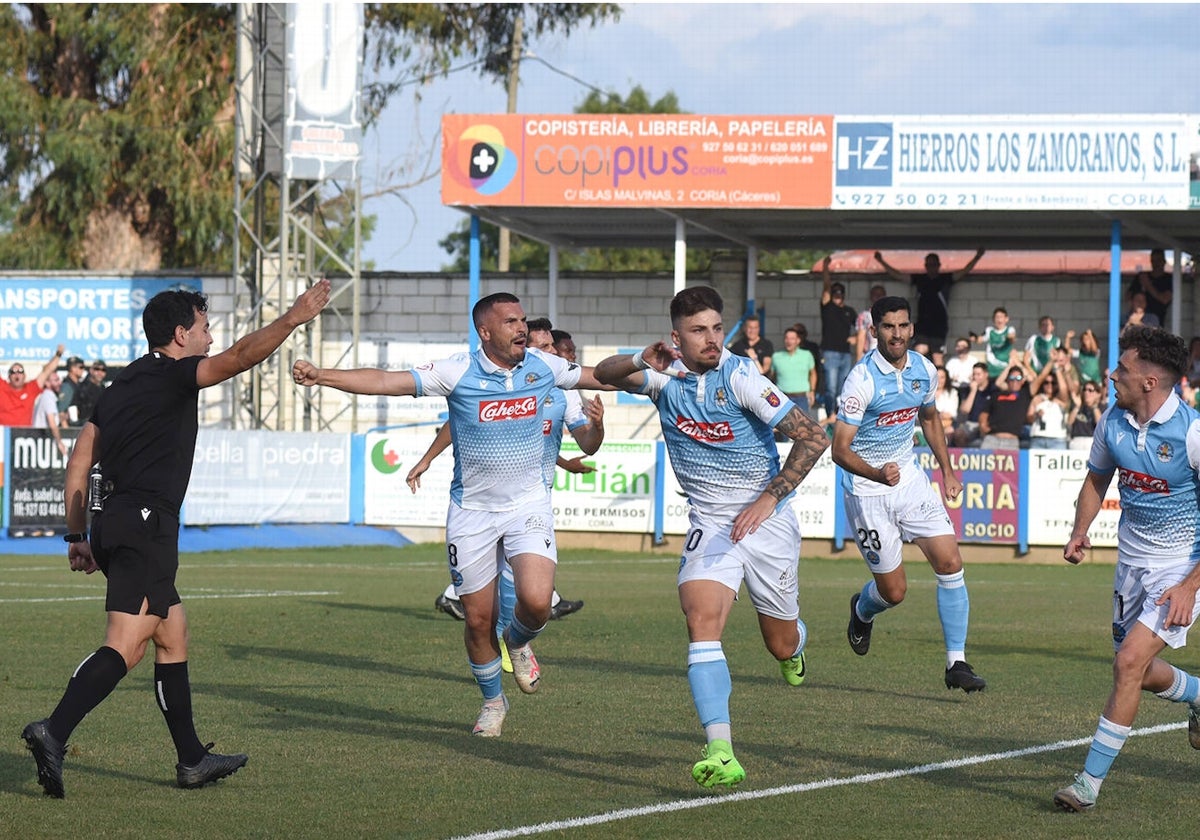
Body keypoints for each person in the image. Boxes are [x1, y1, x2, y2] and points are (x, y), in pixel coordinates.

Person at [21, 279, 331, 798]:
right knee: (124, 645)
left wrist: (78, 534)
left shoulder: (119, 385)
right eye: (205, 328)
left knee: (172, 633)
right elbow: (238, 358)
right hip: (146, 523)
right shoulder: (174, 375)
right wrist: (293, 318)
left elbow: (79, 461)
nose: (211, 338)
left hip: (115, 520)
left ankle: (191, 760)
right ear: (181, 334)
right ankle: (53, 731)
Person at [293, 292, 610, 739]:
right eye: (510, 322)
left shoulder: (544, 367)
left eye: (522, 320)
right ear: (485, 331)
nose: (521, 328)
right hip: (472, 513)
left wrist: (649, 367)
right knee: (478, 619)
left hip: (528, 505)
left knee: (537, 603)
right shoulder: (457, 370)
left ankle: (517, 642)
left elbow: (600, 376)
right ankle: (492, 702)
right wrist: (323, 375)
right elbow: (387, 381)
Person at [593, 285, 830, 789]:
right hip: (710, 522)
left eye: (717, 328)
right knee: (700, 619)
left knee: (779, 643)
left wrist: (769, 498)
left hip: (767, 521)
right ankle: (721, 749)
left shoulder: (741, 376)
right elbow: (601, 375)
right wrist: (641, 357)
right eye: (699, 330)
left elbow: (814, 436)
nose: (712, 339)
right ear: (676, 336)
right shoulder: (662, 376)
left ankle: (796, 645)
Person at [1054, 325, 1200, 813]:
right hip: (1130, 566)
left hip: (1180, 569)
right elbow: (1096, 480)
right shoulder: (1113, 420)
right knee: (1135, 668)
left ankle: (1088, 784)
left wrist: (1188, 586)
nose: (1112, 376)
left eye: (1123, 369)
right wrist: (1080, 530)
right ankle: (1198, 694)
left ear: (1151, 382)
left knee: (1127, 664)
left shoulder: (1193, 433)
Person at [833, 295, 986, 693]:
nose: (896, 333)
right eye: (888, 327)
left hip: (911, 480)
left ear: (912, 328)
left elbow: (930, 417)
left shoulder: (923, 369)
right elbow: (840, 450)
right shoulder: (860, 381)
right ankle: (862, 610)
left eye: (903, 326)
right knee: (894, 592)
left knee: (950, 560)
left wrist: (947, 470)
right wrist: (877, 473)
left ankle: (957, 663)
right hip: (868, 490)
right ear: (874, 330)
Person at [425, 319, 598, 624]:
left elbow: (578, 437)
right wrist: (426, 459)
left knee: (525, 572)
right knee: (505, 571)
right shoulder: (500, 386)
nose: (554, 353)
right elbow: (460, 423)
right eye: (545, 347)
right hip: (494, 495)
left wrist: (573, 453)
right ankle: (464, 599)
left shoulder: (563, 391)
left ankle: (528, 619)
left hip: (535, 492)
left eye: (554, 348)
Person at [874, 248, 985, 365]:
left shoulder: (945, 279)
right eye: (928, 264)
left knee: (938, 358)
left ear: (938, 265)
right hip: (923, 324)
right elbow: (899, 275)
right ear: (925, 266)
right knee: (919, 353)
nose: (931, 267)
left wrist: (977, 257)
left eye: (933, 264)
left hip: (939, 325)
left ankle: (940, 382)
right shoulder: (920, 280)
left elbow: (964, 271)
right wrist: (881, 261)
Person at [819, 256, 858, 416]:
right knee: (831, 388)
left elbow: (860, 327)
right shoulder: (827, 307)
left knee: (844, 388)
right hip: (830, 352)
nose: (837, 296)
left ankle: (840, 416)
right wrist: (826, 268)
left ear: (844, 295)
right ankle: (830, 415)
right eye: (835, 293)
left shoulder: (850, 311)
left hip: (845, 354)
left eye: (840, 294)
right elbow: (826, 287)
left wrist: (855, 338)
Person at [978, 357, 1036, 450]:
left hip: (1011, 441)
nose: (1014, 381)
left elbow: (1033, 380)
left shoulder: (1025, 394)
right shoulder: (996, 395)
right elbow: (985, 412)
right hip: (992, 438)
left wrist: (1018, 363)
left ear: (1022, 380)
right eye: (1012, 378)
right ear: (1007, 379)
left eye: (1018, 378)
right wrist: (983, 423)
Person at [0, 345, 65, 426]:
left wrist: (58, 354)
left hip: (23, 435)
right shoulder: (2, 387)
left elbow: (47, 372)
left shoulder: (30, 389)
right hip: (3, 434)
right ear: (9, 376)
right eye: (13, 372)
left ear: (24, 376)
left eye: (20, 372)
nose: (17, 374)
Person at [770, 325, 817, 417]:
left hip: (802, 398)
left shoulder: (807, 355)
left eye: (792, 338)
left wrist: (812, 391)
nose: (789, 341)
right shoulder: (776, 356)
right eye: (786, 338)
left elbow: (813, 373)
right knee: (784, 428)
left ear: (798, 341)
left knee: (803, 428)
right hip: (783, 398)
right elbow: (772, 377)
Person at [1026, 362, 1070, 449]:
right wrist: (1036, 415)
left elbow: (1063, 388)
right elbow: (1029, 418)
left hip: (1057, 440)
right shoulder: (1037, 399)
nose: (1050, 385)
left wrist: (1057, 369)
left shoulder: (1062, 399)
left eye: (1053, 383)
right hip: (1038, 438)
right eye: (1046, 382)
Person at [952, 362, 996, 448]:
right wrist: (973, 391)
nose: (976, 377)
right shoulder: (968, 390)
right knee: (958, 434)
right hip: (971, 423)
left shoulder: (993, 389)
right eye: (974, 374)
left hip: (987, 422)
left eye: (978, 374)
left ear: (986, 374)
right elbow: (965, 410)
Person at [1126, 248, 1172, 327]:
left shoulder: (1168, 279)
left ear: (1164, 262)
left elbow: (1165, 299)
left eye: (1158, 260)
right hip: (1138, 317)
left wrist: (1148, 285)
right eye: (1153, 261)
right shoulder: (1142, 276)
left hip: (1157, 320)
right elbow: (1128, 296)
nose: (1156, 264)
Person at [974, 306, 1016, 381]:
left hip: (1005, 370)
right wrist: (975, 338)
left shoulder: (1009, 329)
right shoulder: (989, 331)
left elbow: (1012, 338)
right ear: (993, 319)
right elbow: (980, 339)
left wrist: (1010, 337)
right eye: (997, 317)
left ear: (1006, 319)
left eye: (1001, 317)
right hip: (992, 370)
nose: (999, 320)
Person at [32, 370, 69, 457]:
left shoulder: (47, 396)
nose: (59, 383)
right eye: (56, 380)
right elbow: (52, 423)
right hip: (41, 440)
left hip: (41, 440)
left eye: (59, 380)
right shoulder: (48, 396)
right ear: (47, 383)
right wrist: (59, 442)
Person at [728, 314, 773, 379]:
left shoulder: (766, 344)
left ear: (759, 329)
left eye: (755, 328)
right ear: (745, 328)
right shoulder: (737, 346)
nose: (752, 331)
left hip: (761, 383)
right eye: (750, 328)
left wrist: (754, 358)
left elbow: (765, 369)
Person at [69, 359, 109, 428]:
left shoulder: (104, 388)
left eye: (103, 370)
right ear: (91, 370)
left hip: (101, 426)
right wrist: (75, 424)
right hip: (84, 427)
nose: (100, 372)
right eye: (97, 369)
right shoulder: (82, 387)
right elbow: (73, 406)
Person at [853, 283, 888, 363]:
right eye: (875, 295)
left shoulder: (892, 315)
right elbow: (861, 338)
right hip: (870, 357)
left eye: (881, 295)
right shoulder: (864, 316)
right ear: (871, 297)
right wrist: (859, 361)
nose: (878, 297)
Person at [1066, 380, 1104, 451]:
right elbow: (1069, 422)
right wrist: (1077, 407)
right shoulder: (1077, 405)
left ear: (1098, 394)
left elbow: (1100, 424)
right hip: (1076, 440)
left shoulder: (1101, 407)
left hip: (1092, 441)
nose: (1086, 392)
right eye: (1084, 390)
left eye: (1090, 390)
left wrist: (1094, 407)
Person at [58, 355, 87, 424]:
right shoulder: (67, 387)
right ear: (73, 368)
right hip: (71, 429)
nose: (83, 370)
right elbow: (61, 413)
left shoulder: (77, 385)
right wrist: (67, 433)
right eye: (81, 367)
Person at [933, 366, 959, 438]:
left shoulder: (952, 393)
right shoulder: (927, 394)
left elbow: (952, 413)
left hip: (946, 425)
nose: (939, 380)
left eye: (942, 377)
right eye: (937, 377)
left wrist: (936, 415)